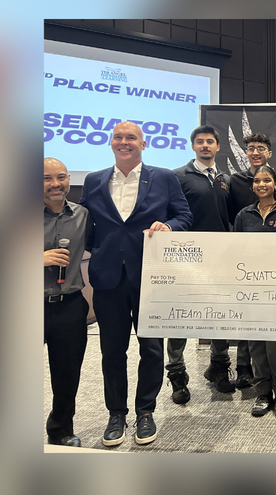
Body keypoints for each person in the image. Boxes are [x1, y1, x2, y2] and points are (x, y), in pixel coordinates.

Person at [78, 121, 193, 447]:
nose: (124, 142)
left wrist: (169, 227)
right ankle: (116, 414)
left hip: (151, 278)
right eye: (118, 137)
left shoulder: (165, 177)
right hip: (108, 279)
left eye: (131, 137)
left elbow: (184, 216)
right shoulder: (94, 180)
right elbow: (84, 223)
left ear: (143, 144)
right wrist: (101, 250)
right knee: (112, 351)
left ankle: (145, 412)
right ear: (111, 143)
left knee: (151, 350)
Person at [169, 126, 234, 404]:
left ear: (218, 146)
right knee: (179, 316)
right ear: (193, 146)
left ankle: (218, 367)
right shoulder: (177, 176)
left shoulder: (225, 179)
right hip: (186, 258)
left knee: (220, 314)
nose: (205, 145)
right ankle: (177, 375)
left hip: (219, 258)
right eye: (200, 142)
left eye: (209, 141)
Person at [234, 165, 276, 418]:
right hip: (252, 288)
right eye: (257, 181)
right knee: (256, 343)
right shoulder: (244, 215)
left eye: (266, 180)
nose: (261, 184)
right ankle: (263, 392)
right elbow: (236, 250)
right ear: (252, 186)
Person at [224, 132, 276, 389]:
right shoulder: (234, 182)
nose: (255, 152)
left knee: (275, 331)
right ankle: (244, 369)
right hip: (248, 270)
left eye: (261, 147)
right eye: (251, 148)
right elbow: (231, 218)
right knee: (248, 324)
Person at [43, 157, 93, 447]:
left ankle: (61, 430)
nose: (55, 184)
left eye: (61, 177)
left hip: (70, 305)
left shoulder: (83, 215)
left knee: (67, 374)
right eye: (46, 178)